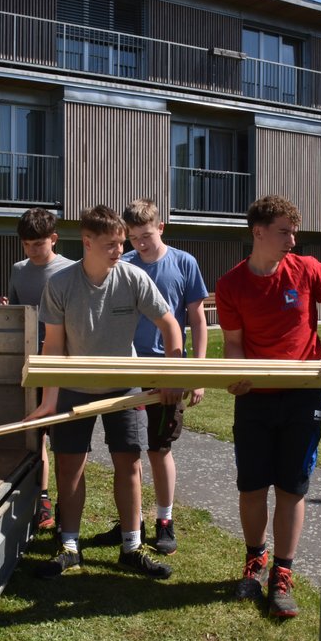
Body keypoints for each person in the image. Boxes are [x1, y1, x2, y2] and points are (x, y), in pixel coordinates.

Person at [215, 194, 321, 619]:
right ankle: (254, 560)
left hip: (302, 395)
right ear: (258, 232)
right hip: (255, 398)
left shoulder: (308, 269)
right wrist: (237, 375)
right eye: (284, 232)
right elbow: (234, 344)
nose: (292, 241)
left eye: (294, 233)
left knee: (292, 487)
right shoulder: (231, 284)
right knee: (251, 487)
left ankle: (282, 573)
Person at [25, 204, 184, 579]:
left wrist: (173, 374)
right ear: (87, 242)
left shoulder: (133, 278)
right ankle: (69, 546)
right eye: (111, 244)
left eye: (121, 243)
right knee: (69, 467)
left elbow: (170, 325)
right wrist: (49, 400)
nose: (120, 250)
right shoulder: (60, 285)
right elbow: (53, 347)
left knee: (129, 464)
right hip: (73, 386)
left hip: (123, 387)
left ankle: (131, 547)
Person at [119, 198, 208, 555]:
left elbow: (197, 320)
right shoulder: (123, 264)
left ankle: (165, 520)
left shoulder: (184, 263)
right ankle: (132, 521)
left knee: (159, 449)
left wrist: (195, 373)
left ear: (161, 228)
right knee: (127, 451)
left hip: (168, 369)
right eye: (133, 238)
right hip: (128, 369)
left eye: (146, 236)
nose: (140, 244)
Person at [0, 208, 74, 531]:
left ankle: (68, 507)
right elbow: (18, 313)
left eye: (38, 244)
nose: (31, 250)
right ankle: (41, 499)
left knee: (64, 441)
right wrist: (5, 310)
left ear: (53, 239)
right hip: (30, 366)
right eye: (26, 244)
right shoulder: (18, 270)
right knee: (34, 435)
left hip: (62, 366)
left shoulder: (70, 270)